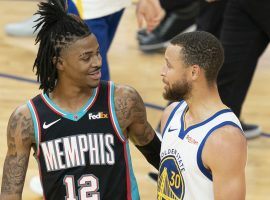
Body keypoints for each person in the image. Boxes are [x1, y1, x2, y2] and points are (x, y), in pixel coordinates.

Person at [0, 0, 161, 199]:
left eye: (98, 53)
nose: (98, 63)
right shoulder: (26, 119)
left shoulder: (123, 102)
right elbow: (10, 194)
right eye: (86, 57)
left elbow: (163, 159)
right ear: (59, 62)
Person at [158, 31, 247, 199]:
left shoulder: (224, 139)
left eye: (169, 66)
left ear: (194, 72)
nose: (162, 72)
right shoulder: (171, 114)